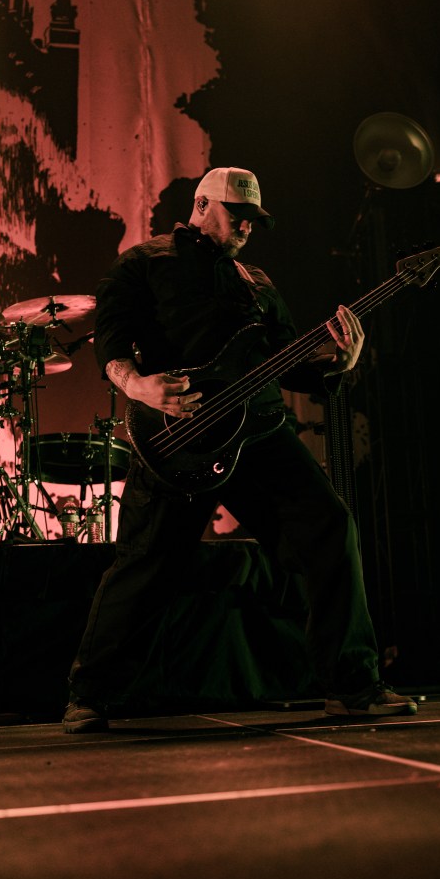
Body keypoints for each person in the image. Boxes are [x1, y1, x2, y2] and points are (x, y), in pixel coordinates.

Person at [63, 167, 418, 731]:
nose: (249, 226)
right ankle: (92, 694)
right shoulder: (145, 263)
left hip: (260, 435)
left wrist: (336, 363)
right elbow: (110, 336)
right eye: (238, 214)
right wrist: (138, 385)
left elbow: (288, 365)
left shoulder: (257, 283)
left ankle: (352, 685)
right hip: (180, 433)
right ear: (201, 206)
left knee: (331, 528)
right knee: (147, 563)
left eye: (255, 218)